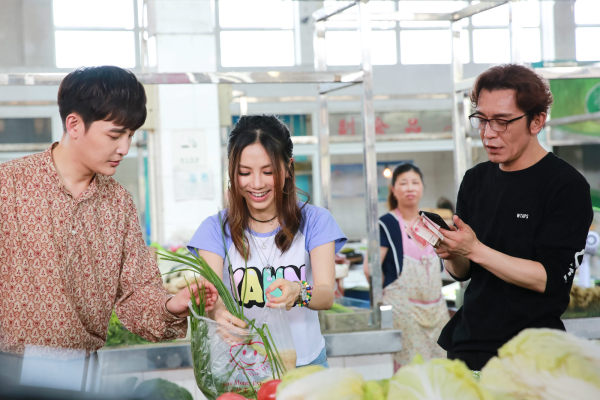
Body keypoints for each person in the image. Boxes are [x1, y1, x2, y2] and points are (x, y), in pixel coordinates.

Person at [0, 66, 217, 383]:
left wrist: (173, 304)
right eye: (115, 135)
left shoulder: (118, 204)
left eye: (130, 135)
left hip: (83, 371)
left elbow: (137, 295)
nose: (125, 149)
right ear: (74, 124)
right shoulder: (10, 185)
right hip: (7, 366)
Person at [435, 64, 593, 371]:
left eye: (502, 122)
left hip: (532, 356)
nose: (489, 133)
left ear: (537, 121)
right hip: (467, 347)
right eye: (481, 120)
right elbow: (463, 272)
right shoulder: (475, 180)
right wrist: (452, 252)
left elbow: (548, 278)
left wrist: (474, 249)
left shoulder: (565, 186)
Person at [188, 115, 346, 368]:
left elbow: (326, 295)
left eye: (268, 171)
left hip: (306, 365)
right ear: (232, 171)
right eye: (244, 173)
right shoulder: (214, 229)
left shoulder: (316, 221)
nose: (257, 184)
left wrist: (299, 291)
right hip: (242, 371)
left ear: (287, 168)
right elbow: (211, 296)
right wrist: (217, 312)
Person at [376, 163, 449, 370]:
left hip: (437, 312)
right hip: (404, 314)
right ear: (393, 190)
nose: (410, 188)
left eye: (415, 183)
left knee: (440, 371)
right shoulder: (387, 223)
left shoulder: (431, 223)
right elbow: (370, 269)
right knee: (413, 373)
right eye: (404, 183)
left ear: (422, 187)